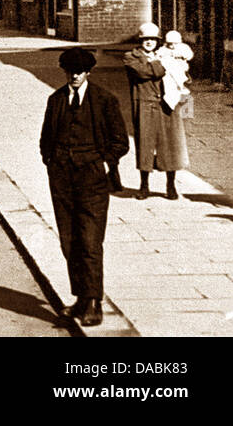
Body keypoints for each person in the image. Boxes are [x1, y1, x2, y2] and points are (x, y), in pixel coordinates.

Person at [40, 46, 129, 327]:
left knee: (90, 240)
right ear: (65, 72)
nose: (75, 76)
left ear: (88, 72)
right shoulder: (55, 100)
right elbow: (45, 139)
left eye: (80, 72)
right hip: (62, 179)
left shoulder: (104, 100)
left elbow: (120, 141)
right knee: (69, 240)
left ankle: (94, 302)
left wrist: (103, 163)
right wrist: (52, 163)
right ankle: (80, 297)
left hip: (92, 179)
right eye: (70, 72)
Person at [124, 22, 188, 201]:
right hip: (144, 104)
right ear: (140, 40)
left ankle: (171, 185)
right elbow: (144, 72)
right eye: (145, 39)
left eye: (153, 39)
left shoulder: (164, 54)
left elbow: (183, 71)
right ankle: (144, 186)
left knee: (170, 145)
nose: (149, 42)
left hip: (167, 104)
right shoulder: (130, 57)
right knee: (145, 145)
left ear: (158, 40)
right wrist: (163, 64)